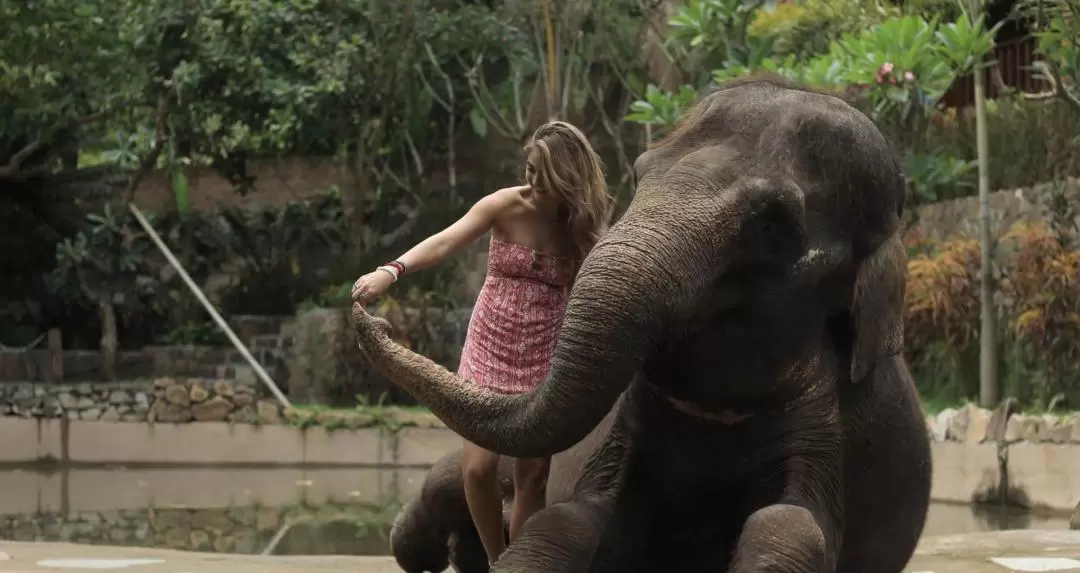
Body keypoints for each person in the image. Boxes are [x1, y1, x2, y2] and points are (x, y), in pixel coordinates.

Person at [351, 120, 611, 564]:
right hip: (491, 342)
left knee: (532, 478)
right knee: (477, 469)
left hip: (547, 351)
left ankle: (517, 566)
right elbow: (445, 240)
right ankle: (496, 559)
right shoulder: (505, 205)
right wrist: (390, 271)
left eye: (541, 175)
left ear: (566, 177)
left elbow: (607, 280)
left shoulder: (582, 225)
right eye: (528, 170)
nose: (530, 182)